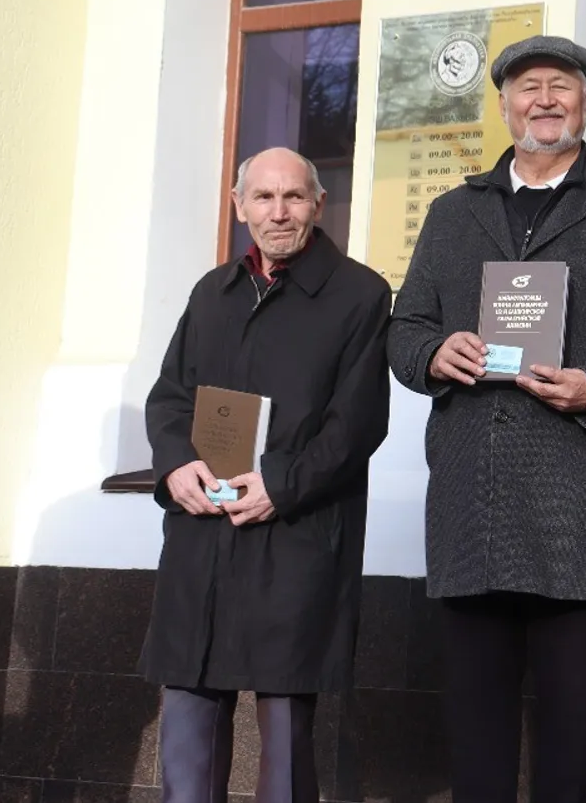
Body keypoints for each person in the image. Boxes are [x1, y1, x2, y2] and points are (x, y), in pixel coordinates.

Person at [387, 35, 586, 803]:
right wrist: (432, 353)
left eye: (562, 85)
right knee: (476, 732)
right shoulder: (454, 212)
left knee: (574, 734)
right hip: (471, 507)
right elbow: (404, 325)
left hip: (575, 508)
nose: (545, 100)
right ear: (504, 106)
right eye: (529, 87)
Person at [139, 148, 391, 803]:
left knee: (283, 742)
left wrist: (281, 485)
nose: (278, 212)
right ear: (239, 206)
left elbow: (357, 425)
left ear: (318, 204)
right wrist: (176, 467)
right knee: (188, 732)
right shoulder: (211, 293)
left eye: (293, 197)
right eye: (263, 197)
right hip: (204, 537)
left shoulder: (361, 295)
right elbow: (169, 398)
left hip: (296, 539)